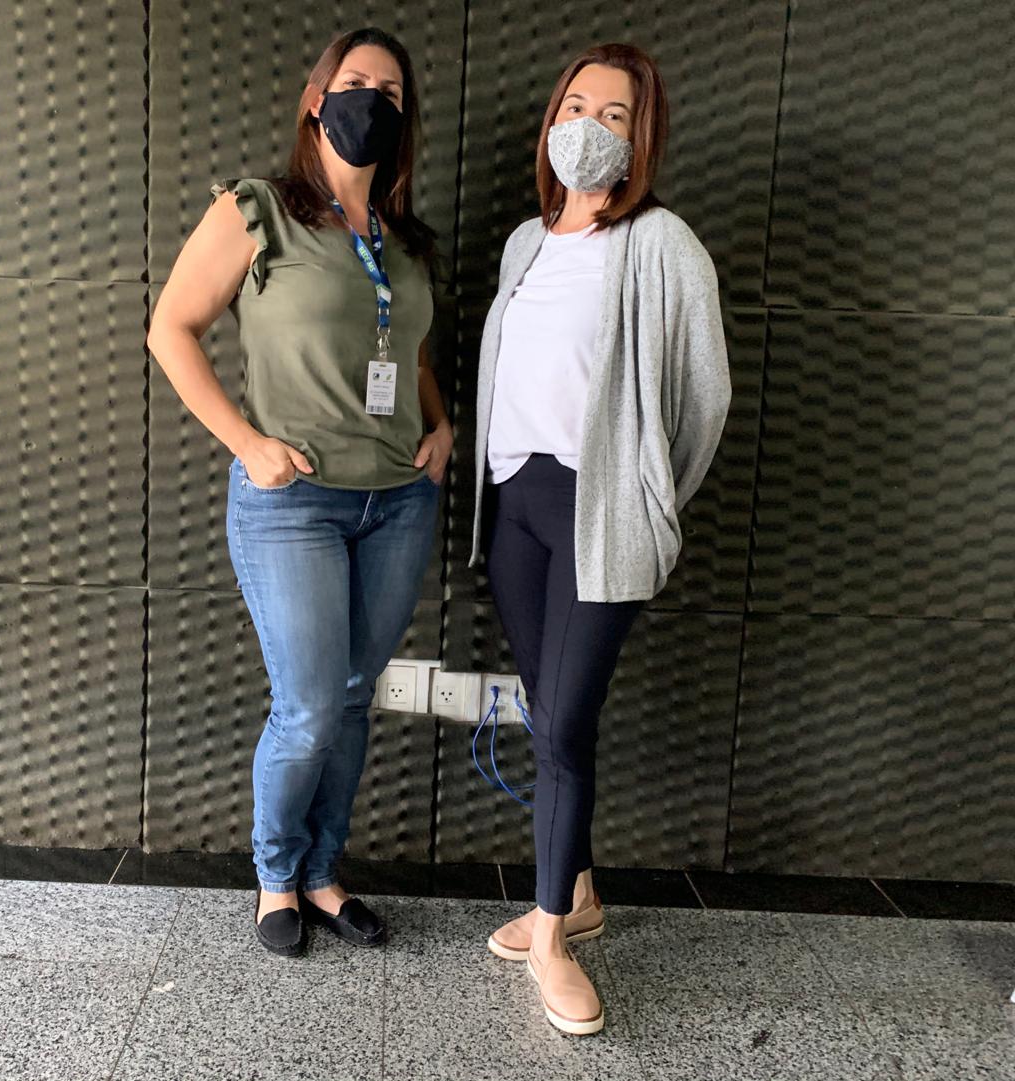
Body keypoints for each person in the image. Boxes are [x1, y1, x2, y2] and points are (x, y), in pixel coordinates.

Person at [146, 27, 452, 958]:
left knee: (354, 699)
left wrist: (442, 428)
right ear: (317, 100)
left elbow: (410, 350)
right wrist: (248, 444)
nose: (372, 100)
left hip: (398, 502)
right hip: (295, 504)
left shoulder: (403, 240)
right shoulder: (259, 210)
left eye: (390, 91)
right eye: (355, 82)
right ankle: (275, 875)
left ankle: (324, 874)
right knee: (311, 705)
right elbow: (170, 328)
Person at [469, 43, 732, 1033]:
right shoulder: (523, 244)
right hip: (514, 506)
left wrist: (652, 500)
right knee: (549, 714)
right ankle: (575, 892)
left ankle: (549, 938)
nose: (587, 126)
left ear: (639, 136)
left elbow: (703, 396)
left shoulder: (663, 244)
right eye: (574, 106)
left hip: (598, 513)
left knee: (564, 729)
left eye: (613, 114)